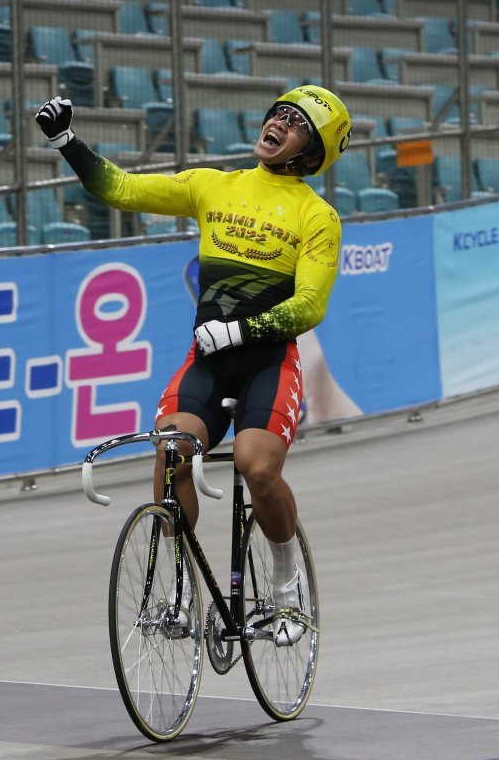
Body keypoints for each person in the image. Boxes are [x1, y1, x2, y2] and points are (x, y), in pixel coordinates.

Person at [36, 85, 351, 645]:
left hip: (267, 363)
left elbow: (311, 306)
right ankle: (180, 586)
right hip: (206, 361)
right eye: (276, 112)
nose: (277, 123)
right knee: (172, 454)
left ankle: (285, 586)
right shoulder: (213, 185)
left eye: (295, 123)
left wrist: (242, 329)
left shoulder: (317, 216)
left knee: (257, 468)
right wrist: (67, 143)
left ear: (311, 152)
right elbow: (124, 189)